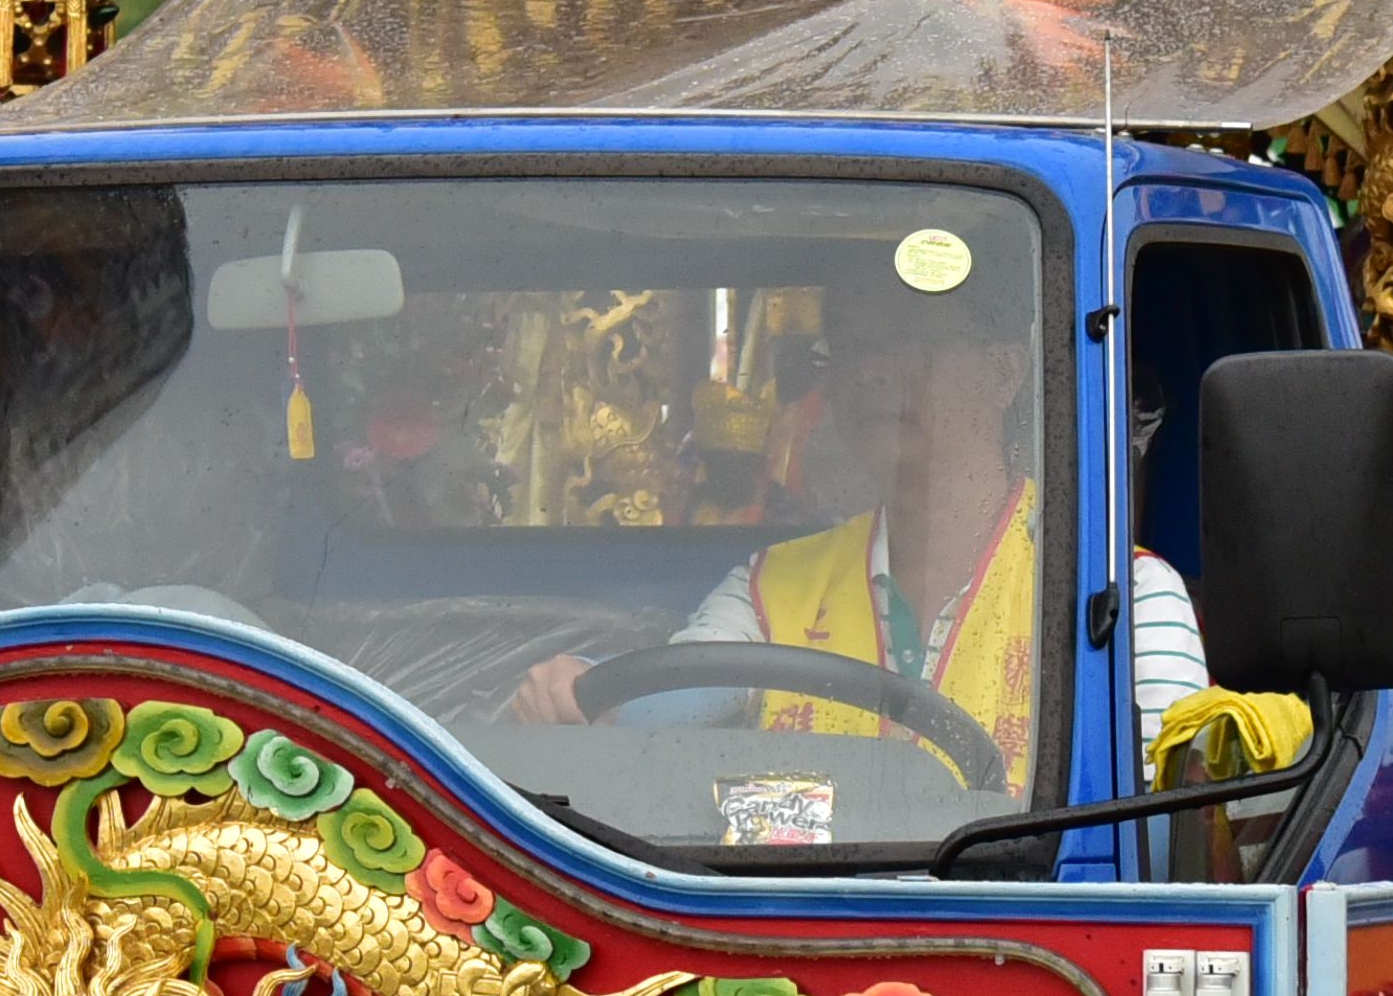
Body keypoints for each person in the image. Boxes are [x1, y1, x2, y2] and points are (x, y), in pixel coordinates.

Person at [504, 293, 1196, 796]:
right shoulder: (770, 589)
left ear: (1004, 372)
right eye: (850, 350)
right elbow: (673, 695)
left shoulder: (1123, 597)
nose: (870, 373)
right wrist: (579, 690)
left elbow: (1162, 838)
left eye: (910, 341)